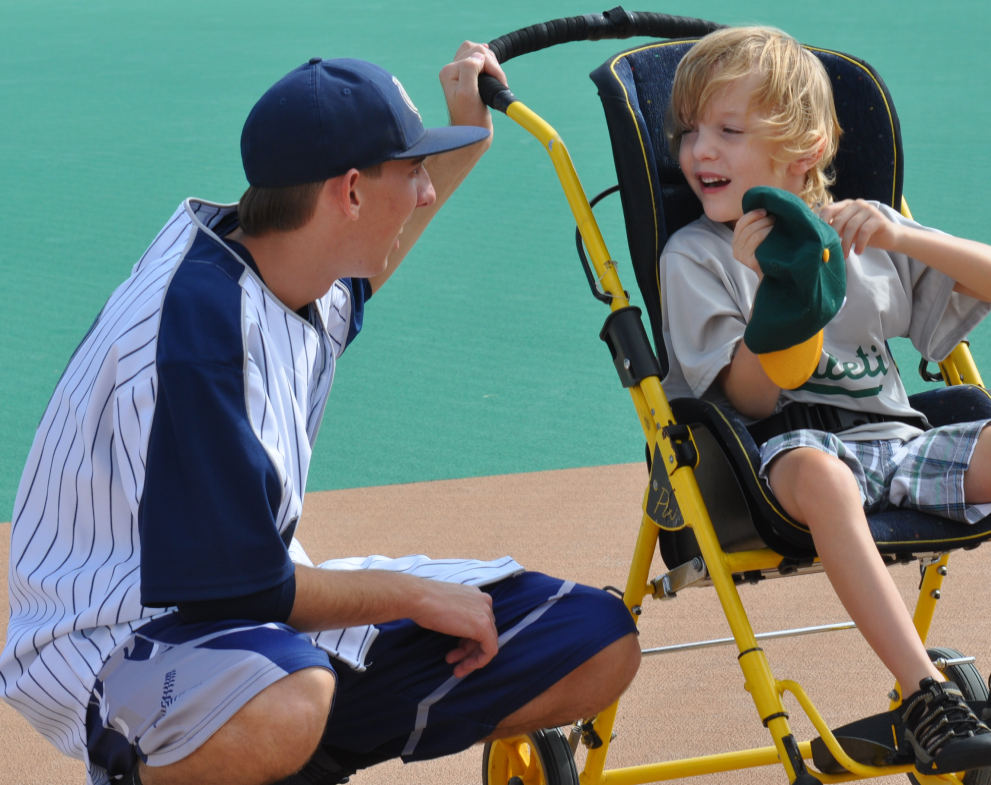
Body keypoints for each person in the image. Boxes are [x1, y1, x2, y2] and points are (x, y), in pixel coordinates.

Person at [1, 45, 640, 785]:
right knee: (290, 699)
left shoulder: (290, 259)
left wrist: (469, 137)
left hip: (252, 619)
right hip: (114, 641)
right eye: (414, 171)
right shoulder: (198, 334)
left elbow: (368, 275)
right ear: (349, 193)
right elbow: (245, 588)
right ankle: (152, 768)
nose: (427, 192)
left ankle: (289, 766)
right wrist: (415, 594)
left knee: (596, 639)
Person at [658, 26, 991, 776]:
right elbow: (745, 393)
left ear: (803, 149)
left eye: (728, 131)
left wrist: (909, 238)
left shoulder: (863, 231)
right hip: (786, 453)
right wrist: (783, 294)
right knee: (824, 476)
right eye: (689, 132)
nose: (698, 151)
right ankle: (923, 692)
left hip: (898, 440)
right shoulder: (699, 255)